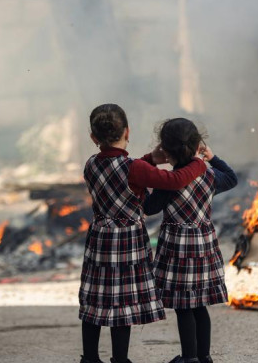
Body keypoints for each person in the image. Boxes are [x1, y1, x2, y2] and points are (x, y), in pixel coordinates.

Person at [79, 104, 207, 363]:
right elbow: (173, 181)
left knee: (95, 299)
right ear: (128, 131)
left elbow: (117, 172)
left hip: (100, 239)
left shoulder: (91, 164)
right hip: (127, 242)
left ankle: (90, 358)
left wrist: (150, 158)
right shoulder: (135, 168)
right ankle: (120, 359)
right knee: (121, 301)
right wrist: (198, 164)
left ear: (93, 137)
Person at [144, 118, 238, 363]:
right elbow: (231, 177)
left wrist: (143, 183)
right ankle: (204, 357)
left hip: (177, 250)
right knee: (200, 304)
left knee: (184, 306)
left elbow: (149, 207)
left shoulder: (167, 182)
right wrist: (212, 156)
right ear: (198, 145)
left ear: (165, 150)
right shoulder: (209, 176)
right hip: (203, 247)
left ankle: (189, 358)